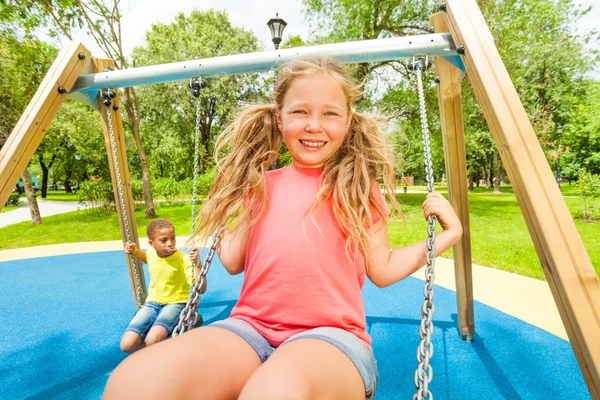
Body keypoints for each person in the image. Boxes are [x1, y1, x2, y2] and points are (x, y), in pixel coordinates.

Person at [104, 57, 462, 399]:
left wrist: (445, 237)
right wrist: (223, 222)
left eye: (330, 114)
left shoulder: (356, 187)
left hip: (332, 337)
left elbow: (382, 270)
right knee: (135, 381)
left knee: (275, 391)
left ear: (349, 120)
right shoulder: (260, 184)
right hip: (249, 328)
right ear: (280, 117)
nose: (314, 125)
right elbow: (233, 261)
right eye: (300, 111)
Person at [119, 218, 204, 354]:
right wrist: (134, 252)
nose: (170, 244)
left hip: (176, 303)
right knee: (127, 345)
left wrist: (198, 264)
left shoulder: (183, 259)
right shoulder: (151, 252)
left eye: (173, 238)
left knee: (153, 340)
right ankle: (161, 352)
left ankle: (170, 346)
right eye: (163, 240)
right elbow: (149, 259)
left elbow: (200, 288)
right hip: (152, 303)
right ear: (152, 244)